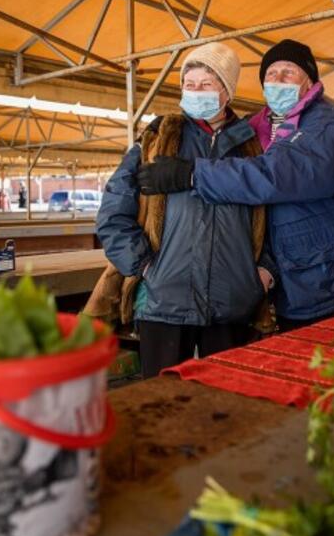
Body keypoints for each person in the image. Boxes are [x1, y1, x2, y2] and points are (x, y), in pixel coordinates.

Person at [137, 39, 334, 331]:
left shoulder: (324, 122)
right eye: (271, 74)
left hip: (328, 276)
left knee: (329, 365)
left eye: (289, 72)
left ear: (309, 80)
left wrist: (193, 175)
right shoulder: (255, 127)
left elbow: (279, 175)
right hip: (284, 279)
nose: (278, 80)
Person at [92, 42, 275, 377]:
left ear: (227, 91)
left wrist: (262, 273)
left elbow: (272, 216)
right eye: (189, 85)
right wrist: (144, 266)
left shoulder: (251, 146)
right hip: (165, 301)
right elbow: (113, 211)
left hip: (232, 300)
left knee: (226, 405)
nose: (196, 92)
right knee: (162, 404)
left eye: (206, 84)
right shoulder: (157, 138)